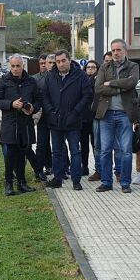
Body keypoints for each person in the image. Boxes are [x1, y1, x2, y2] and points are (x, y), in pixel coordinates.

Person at [93, 38, 140, 193]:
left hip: (125, 114)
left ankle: (125, 183)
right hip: (106, 114)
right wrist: (120, 88)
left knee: (125, 150)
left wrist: (111, 83)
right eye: (113, 50)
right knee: (106, 150)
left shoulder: (133, 66)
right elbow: (98, 88)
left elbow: (132, 83)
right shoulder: (104, 67)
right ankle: (106, 182)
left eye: (118, 50)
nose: (115, 53)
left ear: (125, 50)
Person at [0, 55, 41, 196]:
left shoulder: (31, 81)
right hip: (10, 124)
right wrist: (11, 104)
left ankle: (22, 183)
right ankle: (8, 184)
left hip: (25, 124)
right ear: (9, 66)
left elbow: (38, 100)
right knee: (10, 155)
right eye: (12, 66)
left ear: (22, 66)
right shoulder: (3, 81)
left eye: (18, 66)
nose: (15, 69)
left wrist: (32, 108)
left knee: (22, 154)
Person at [44, 50, 93, 190]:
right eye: (58, 62)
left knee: (75, 151)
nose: (60, 64)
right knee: (57, 152)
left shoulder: (81, 75)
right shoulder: (50, 76)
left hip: (73, 120)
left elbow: (87, 95)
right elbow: (44, 95)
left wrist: (76, 111)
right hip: (55, 120)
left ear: (69, 60)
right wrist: (50, 112)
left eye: (63, 60)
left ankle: (76, 180)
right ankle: (57, 178)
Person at [33, 54, 56, 180]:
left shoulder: (60, 78)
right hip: (43, 115)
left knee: (59, 144)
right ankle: (39, 170)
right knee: (41, 143)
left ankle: (61, 168)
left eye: (53, 62)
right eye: (49, 63)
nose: (51, 65)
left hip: (57, 115)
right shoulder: (37, 79)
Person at [81, 60, 99, 179]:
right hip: (82, 117)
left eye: (93, 67)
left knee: (96, 144)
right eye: (88, 67)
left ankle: (98, 168)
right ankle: (84, 166)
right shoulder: (81, 80)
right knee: (83, 144)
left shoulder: (98, 81)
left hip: (95, 117)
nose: (90, 69)